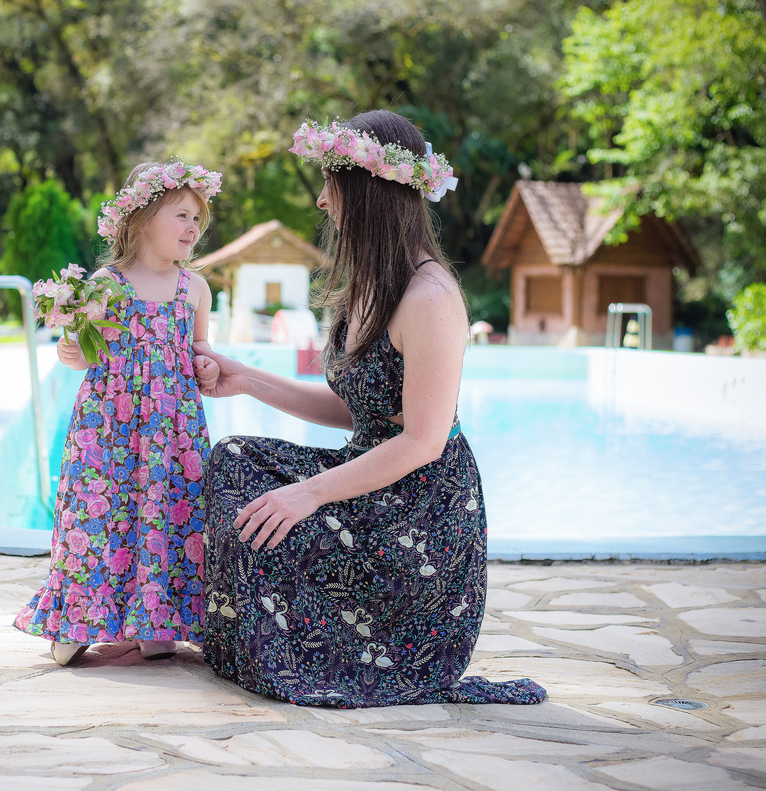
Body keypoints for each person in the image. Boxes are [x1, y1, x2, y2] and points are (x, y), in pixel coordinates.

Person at [198, 111, 546, 707]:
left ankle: (314, 648)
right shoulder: (369, 284)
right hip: (369, 482)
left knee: (279, 516)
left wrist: (306, 493)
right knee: (234, 461)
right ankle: (267, 639)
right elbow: (355, 408)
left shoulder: (430, 297)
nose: (322, 200)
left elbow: (422, 441)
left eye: (331, 184)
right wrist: (247, 379)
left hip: (418, 512)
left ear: (365, 192)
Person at [14, 159, 223, 666]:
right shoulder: (107, 284)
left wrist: (209, 369)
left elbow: (200, 354)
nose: (192, 228)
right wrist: (72, 349)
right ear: (143, 218)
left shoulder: (194, 289)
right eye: (181, 216)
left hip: (171, 428)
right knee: (98, 512)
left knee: (168, 510)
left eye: (198, 219)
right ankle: (79, 616)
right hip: (109, 425)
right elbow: (85, 349)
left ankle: (157, 615)